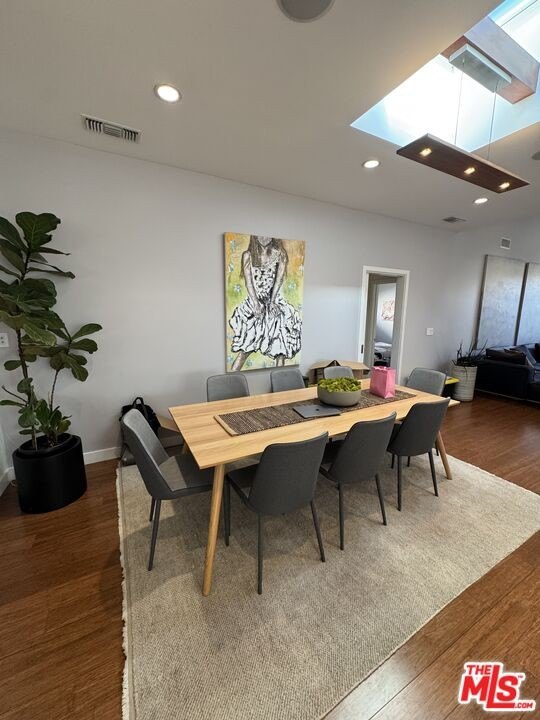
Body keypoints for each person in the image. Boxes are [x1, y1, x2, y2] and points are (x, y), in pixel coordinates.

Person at [229, 235, 302, 371]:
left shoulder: (280, 254)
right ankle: (231, 380)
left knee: (281, 349)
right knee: (245, 349)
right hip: (255, 302)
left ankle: (280, 382)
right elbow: (249, 282)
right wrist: (256, 303)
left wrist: (273, 301)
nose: (264, 238)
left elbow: (279, 279)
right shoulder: (248, 255)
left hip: (273, 300)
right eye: (260, 236)